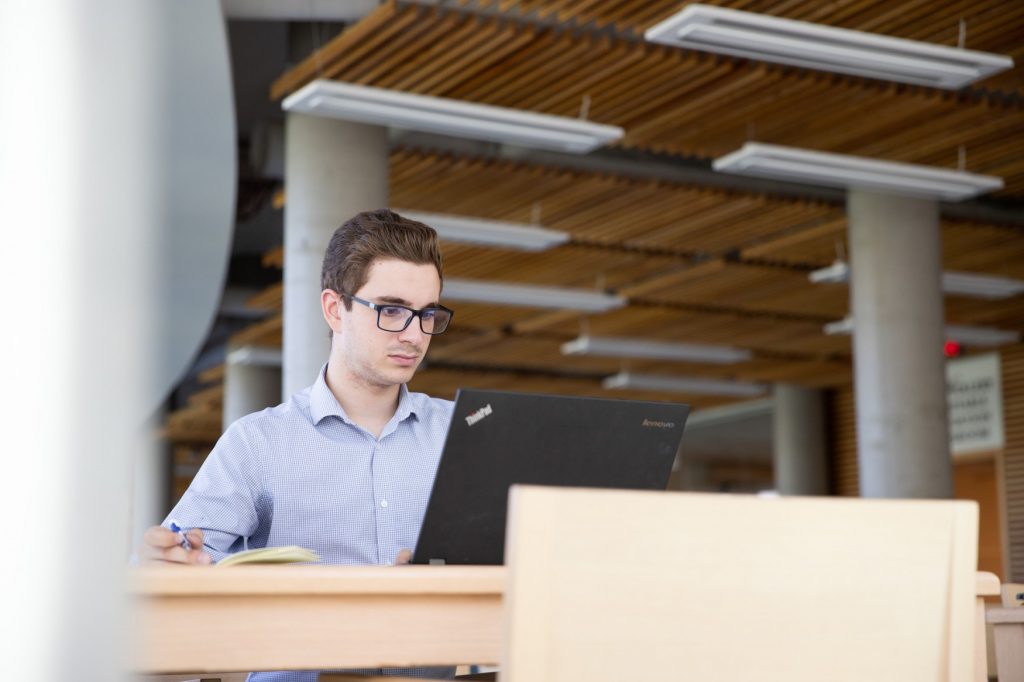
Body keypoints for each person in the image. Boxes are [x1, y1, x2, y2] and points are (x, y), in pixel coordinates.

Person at [141, 209, 457, 680]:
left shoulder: (459, 431)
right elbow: (166, 571)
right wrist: (170, 564)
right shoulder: (259, 444)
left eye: (427, 314)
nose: (414, 335)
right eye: (391, 311)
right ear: (335, 309)